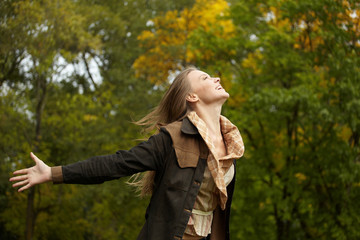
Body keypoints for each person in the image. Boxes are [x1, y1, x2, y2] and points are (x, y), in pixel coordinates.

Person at [9, 67, 244, 240]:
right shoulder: (171, 139)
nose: (217, 78)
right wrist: (53, 173)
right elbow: (115, 164)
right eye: (205, 77)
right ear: (192, 97)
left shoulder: (231, 145)